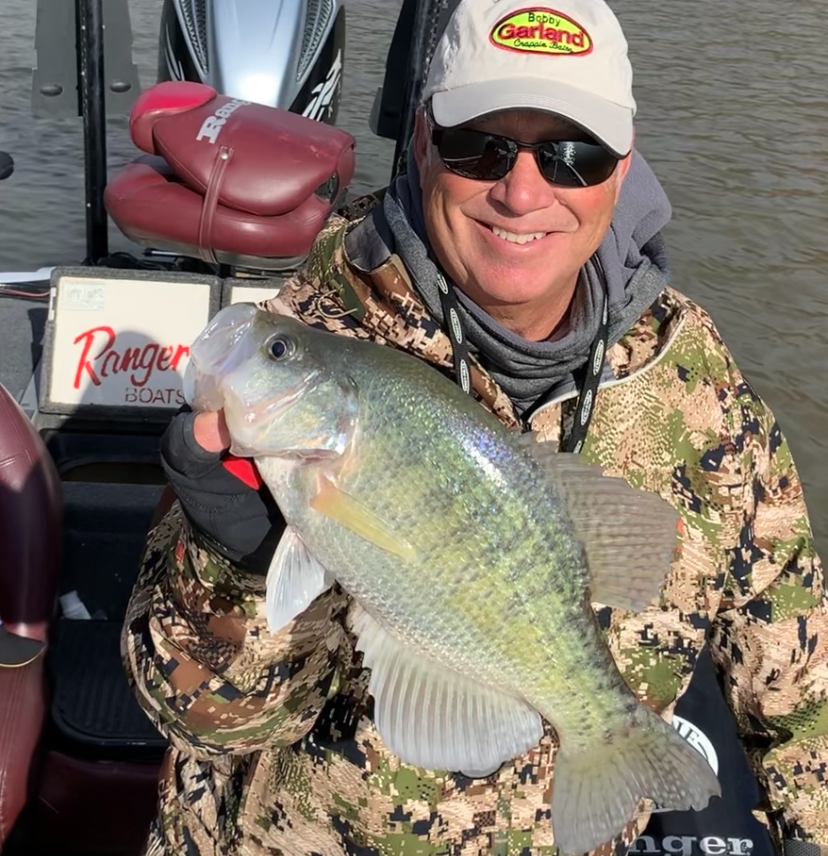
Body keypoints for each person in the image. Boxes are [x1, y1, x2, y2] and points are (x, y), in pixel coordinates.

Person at [121, 0, 828, 853]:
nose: (523, 190)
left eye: (574, 154)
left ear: (623, 165)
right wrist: (233, 563)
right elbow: (200, 722)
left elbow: (801, 676)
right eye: (481, 145)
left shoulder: (696, 381)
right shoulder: (311, 334)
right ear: (422, 139)